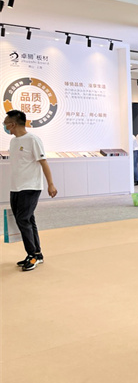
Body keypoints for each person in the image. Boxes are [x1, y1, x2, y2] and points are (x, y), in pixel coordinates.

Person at [4, 109, 58, 272]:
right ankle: (37, 254)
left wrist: (50, 184)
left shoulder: (33, 139)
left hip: (31, 187)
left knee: (23, 220)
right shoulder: (13, 142)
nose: (5, 127)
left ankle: (32, 255)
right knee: (27, 220)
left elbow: (43, 162)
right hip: (16, 187)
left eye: (6, 124)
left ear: (13, 124)